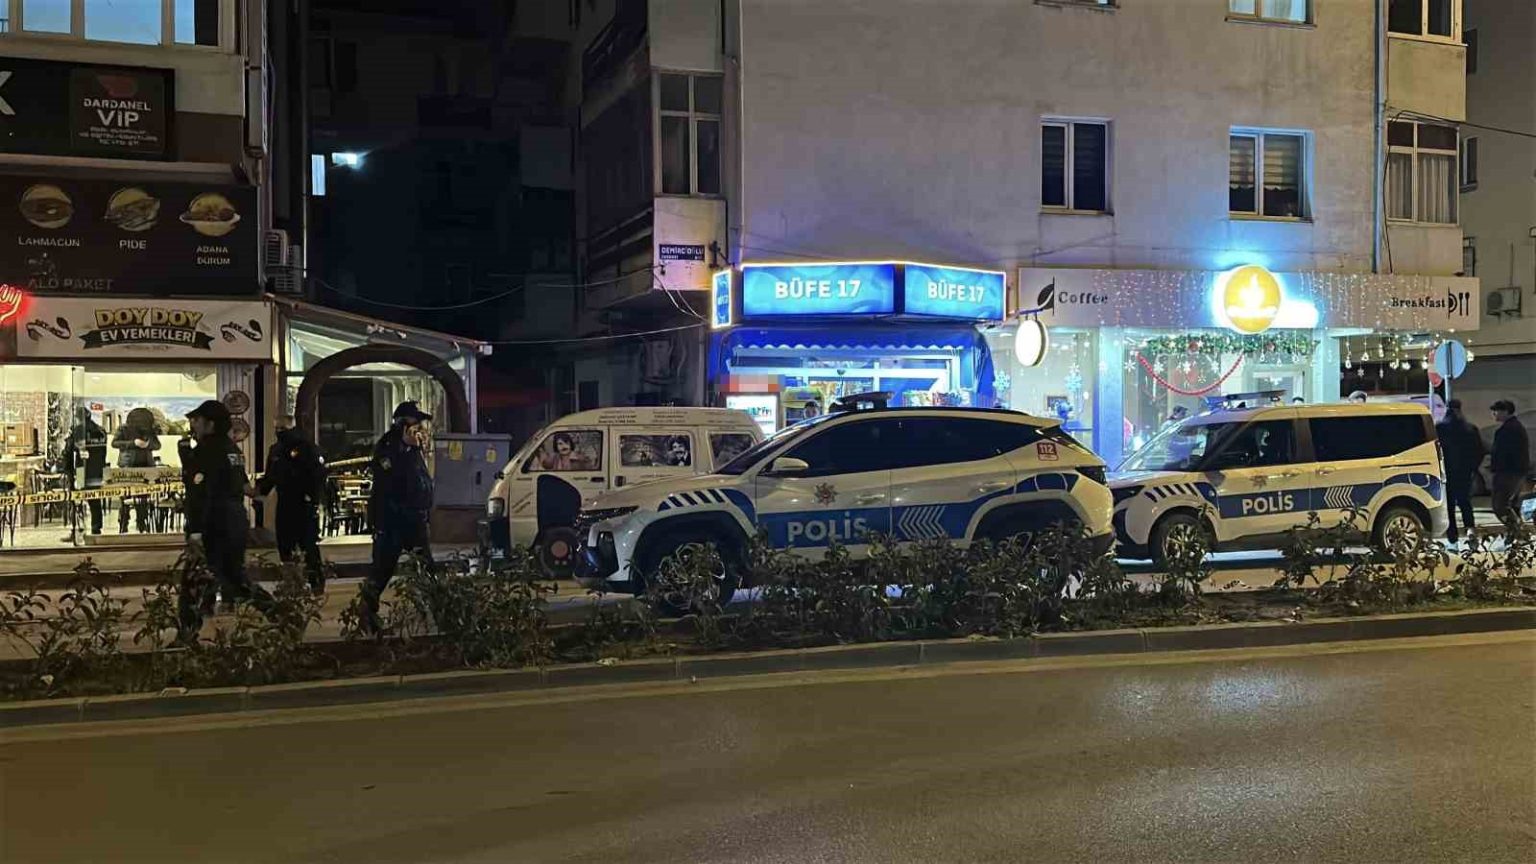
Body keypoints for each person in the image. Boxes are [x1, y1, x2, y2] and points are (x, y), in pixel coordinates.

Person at [178, 400, 273, 641]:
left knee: (194, 580)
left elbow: (200, 493)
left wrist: (196, 531)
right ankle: (280, 614)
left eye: (197, 420)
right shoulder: (232, 449)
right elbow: (244, 486)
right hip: (234, 518)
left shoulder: (206, 450)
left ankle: (186, 635)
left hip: (214, 520)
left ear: (210, 424)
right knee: (233, 578)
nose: (193, 425)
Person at [359, 401, 435, 633]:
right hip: (392, 521)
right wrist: (406, 449)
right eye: (416, 425)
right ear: (403, 425)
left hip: (414, 519)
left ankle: (442, 611)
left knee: (426, 566)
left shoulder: (412, 448)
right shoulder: (389, 447)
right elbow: (391, 483)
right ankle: (366, 615)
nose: (420, 429)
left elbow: (419, 479)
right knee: (382, 569)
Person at [254, 415, 327, 594]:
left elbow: (318, 476)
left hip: (303, 502)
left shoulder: (306, 447)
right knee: (284, 543)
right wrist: (259, 492)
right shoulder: (276, 450)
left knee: (307, 544)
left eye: (283, 429)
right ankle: (291, 582)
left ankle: (315, 581)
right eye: (276, 428)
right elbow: (271, 476)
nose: (279, 432)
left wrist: (313, 499)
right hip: (284, 502)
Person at [1435, 399, 1483, 544]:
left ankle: (1452, 534)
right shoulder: (1470, 428)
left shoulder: (1440, 428)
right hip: (1464, 472)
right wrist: (1473, 468)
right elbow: (1479, 451)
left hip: (1447, 471)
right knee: (1465, 501)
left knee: (1449, 504)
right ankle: (1470, 529)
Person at [114, 407, 161, 533]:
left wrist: (148, 445)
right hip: (128, 467)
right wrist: (133, 443)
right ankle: (124, 523)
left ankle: (141, 523)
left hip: (145, 468)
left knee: (143, 498)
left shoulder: (148, 430)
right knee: (125, 497)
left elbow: (157, 445)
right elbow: (115, 443)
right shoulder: (123, 429)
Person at [62, 407, 107, 538]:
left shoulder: (77, 431)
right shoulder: (100, 431)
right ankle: (96, 529)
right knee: (95, 501)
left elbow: (68, 451)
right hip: (97, 471)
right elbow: (103, 453)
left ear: (77, 418)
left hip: (81, 471)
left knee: (77, 500)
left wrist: (67, 469)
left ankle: (77, 529)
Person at [1488, 400, 1531, 527]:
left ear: (1506, 412)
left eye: (1496, 411)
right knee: (1511, 504)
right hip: (1514, 471)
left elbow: (1504, 452)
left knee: (1500, 505)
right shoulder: (1515, 427)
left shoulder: (1509, 429)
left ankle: (1516, 529)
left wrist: (1496, 467)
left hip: (1508, 473)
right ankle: (1518, 531)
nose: (1494, 414)